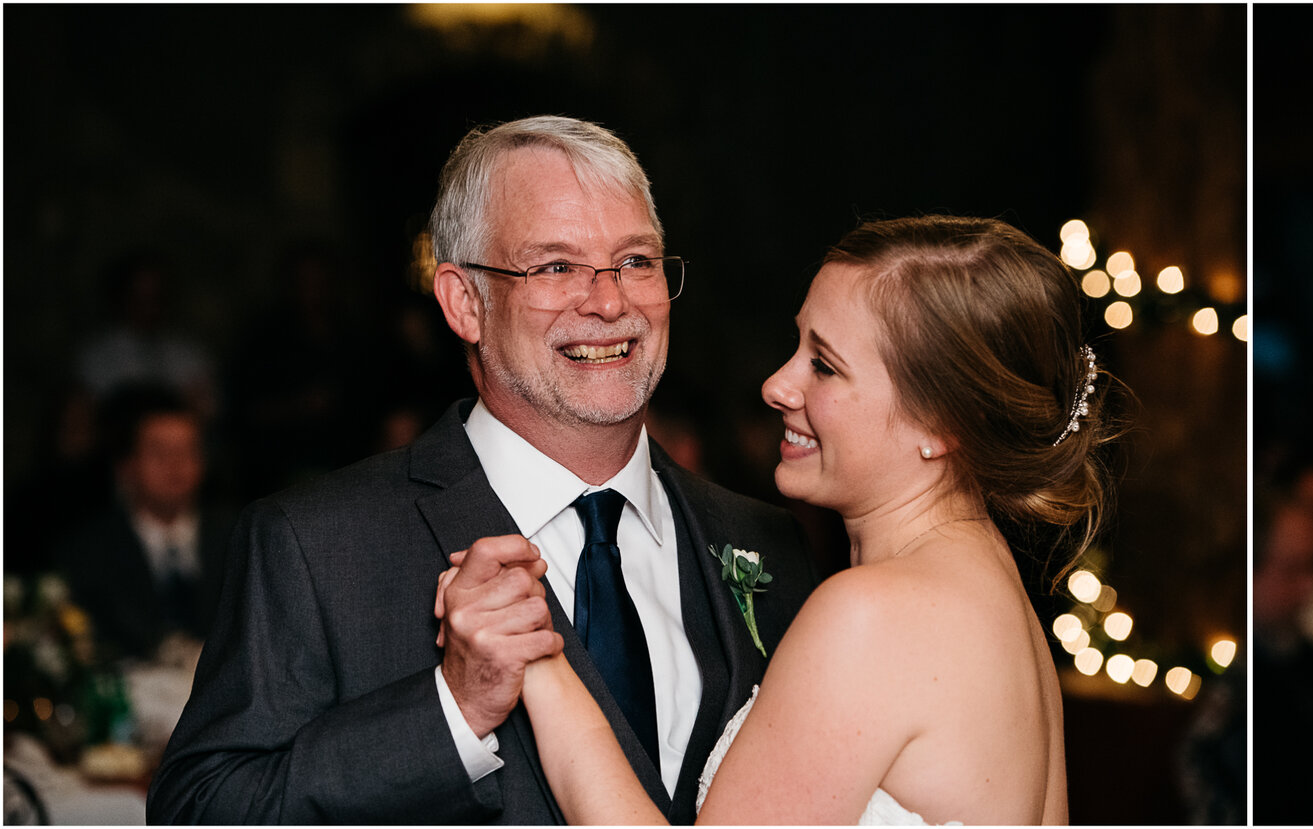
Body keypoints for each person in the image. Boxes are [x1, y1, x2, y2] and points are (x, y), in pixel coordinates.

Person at [149, 115, 822, 824]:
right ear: (465, 301)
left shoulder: (765, 541)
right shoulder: (316, 545)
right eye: (556, 266)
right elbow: (198, 810)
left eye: (635, 261)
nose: (609, 301)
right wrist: (452, 710)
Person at [493, 216, 1103, 824]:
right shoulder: (997, 600)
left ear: (940, 425)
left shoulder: (874, 616)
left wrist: (543, 664)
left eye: (826, 366)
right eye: (799, 347)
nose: (777, 385)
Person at [55, 386, 232, 662]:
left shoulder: (236, 537)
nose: (175, 465)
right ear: (126, 466)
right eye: (159, 453)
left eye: (187, 451)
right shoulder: (89, 549)